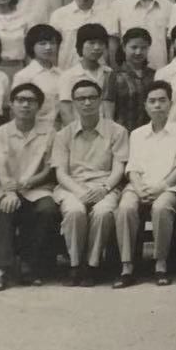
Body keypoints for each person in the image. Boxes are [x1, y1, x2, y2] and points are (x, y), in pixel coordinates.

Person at [0, 81, 59, 291]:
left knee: (48, 209)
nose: (25, 105)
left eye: (31, 101)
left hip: (36, 187)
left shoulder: (49, 133)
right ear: (11, 105)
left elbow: (48, 167)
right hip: (6, 186)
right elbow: (0, 165)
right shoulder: (0, 133)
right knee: (7, 209)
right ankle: (0, 270)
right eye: (20, 100)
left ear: (39, 106)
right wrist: (10, 192)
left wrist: (32, 181)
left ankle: (29, 264)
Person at [51, 78, 129, 286]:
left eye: (92, 97)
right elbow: (61, 173)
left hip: (105, 185)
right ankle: (75, 265)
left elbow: (119, 168)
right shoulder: (63, 135)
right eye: (81, 99)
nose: (87, 103)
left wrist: (105, 188)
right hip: (72, 187)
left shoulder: (117, 131)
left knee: (103, 212)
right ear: (74, 103)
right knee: (74, 211)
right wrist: (79, 192)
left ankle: (92, 266)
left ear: (100, 100)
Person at [112, 81, 176, 287]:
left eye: (162, 100)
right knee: (125, 207)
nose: (157, 105)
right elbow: (132, 168)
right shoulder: (137, 134)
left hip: (170, 186)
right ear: (145, 105)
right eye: (152, 101)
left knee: (161, 208)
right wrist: (139, 188)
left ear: (170, 103)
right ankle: (127, 266)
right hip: (139, 186)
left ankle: (160, 264)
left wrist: (160, 187)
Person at [50, 0, 110, 70]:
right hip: (67, 72)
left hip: (99, 74)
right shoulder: (59, 15)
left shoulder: (107, 14)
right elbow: (53, 49)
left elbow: (109, 49)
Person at [59, 23, 115, 126]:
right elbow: (66, 111)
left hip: (104, 129)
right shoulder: (69, 75)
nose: (97, 47)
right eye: (91, 43)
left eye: (101, 43)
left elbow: (109, 107)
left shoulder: (108, 72)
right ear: (81, 45)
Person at [12, 25, 65, 130]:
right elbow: (17, 112)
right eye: (42, 43)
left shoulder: (63, 74)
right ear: (32, 46)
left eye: (52, 43)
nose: (48, 47)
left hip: (61, 129)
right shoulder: (24, 76)